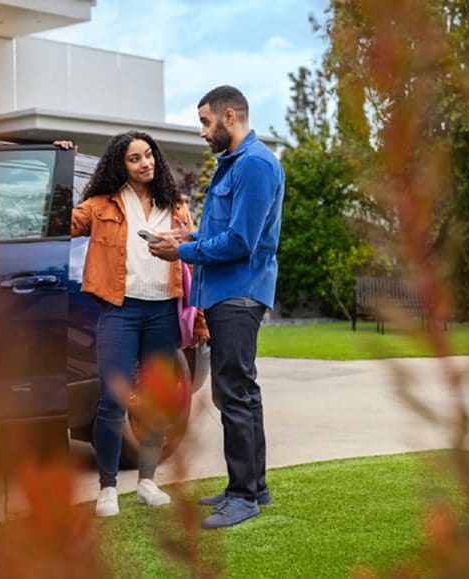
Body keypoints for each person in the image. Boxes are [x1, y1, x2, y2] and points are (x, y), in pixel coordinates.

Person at [148, 85, 285, 529]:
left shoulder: (256, 166)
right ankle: (250, 487)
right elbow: (218, 231)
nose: (203, 132)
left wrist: (181, 256)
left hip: (239, 294)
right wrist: (183, 239)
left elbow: (242, 241)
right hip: (227, 292)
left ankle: (243, 496)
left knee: (235, 393)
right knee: (240, 390)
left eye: (206, 122)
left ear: (230, 116)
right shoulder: (232, 166)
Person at [70, 130, 207, 518]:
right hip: (120, 311)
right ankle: (107, 488)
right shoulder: (100, 205)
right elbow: (62, 221)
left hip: (163, 312)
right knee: (112, 400)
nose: (145, 163)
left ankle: (147, 482)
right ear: (120, 164)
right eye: (135, 158)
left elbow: (191, 251)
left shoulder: (175, 204)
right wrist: (62, 165)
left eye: (149, 155)